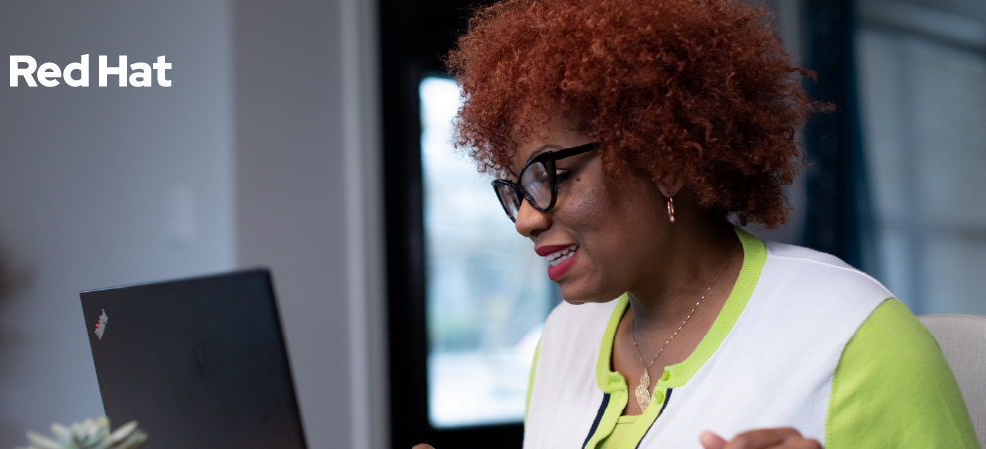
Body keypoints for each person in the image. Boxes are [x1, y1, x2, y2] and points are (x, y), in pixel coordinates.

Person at [415, 0, 979, 448]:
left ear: (664, 160)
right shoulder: (563, 338)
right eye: (516, 189)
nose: (526, 219)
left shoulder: (854, 339)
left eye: (547, 173)